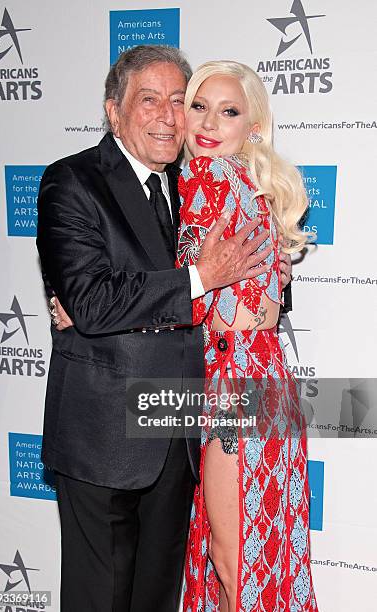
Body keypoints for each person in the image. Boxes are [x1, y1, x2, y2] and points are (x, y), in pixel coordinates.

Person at [36, 46, 290, 612]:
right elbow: (93, 300)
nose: (171, 116)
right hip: (104, 438)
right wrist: (201, 276)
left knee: (158, 598)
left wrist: (261, 278)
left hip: (179, 432)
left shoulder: (197, 181)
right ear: (113, 111)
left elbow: (256, 283)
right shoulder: (72, 181)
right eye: (149, 100)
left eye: (180, 101)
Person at [176, 61, 318, 611]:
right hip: (267, 380)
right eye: (199, 106)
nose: (209, 123)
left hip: (229, 389)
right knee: (263, 556)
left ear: (252, 126)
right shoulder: (252, 187)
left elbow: (185, 300)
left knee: (229, 560)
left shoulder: (205, 180)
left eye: (228, 111)